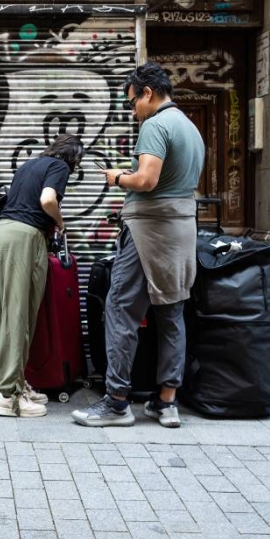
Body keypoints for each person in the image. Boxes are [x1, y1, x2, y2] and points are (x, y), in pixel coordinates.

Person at [72, 62, 205, 429]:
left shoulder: (156, 125)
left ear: (148, 93)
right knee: (172, 314)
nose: (133, 112)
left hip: (148, 231)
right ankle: (166, 403)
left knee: (120, 308)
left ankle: (116, 402)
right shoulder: (191, 128)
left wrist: (118, 177)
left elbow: (147, 180)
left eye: (133, 103)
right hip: (181, 231)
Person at [0, 134, 85, 417]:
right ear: (73, 157)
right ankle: (9, 396)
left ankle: (17, 384)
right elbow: (47, 200)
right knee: (18, 316)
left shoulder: (28, 165)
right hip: (24, 238)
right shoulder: (59, 167)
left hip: (3, 234)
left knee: (11, 314)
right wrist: (60, 222)